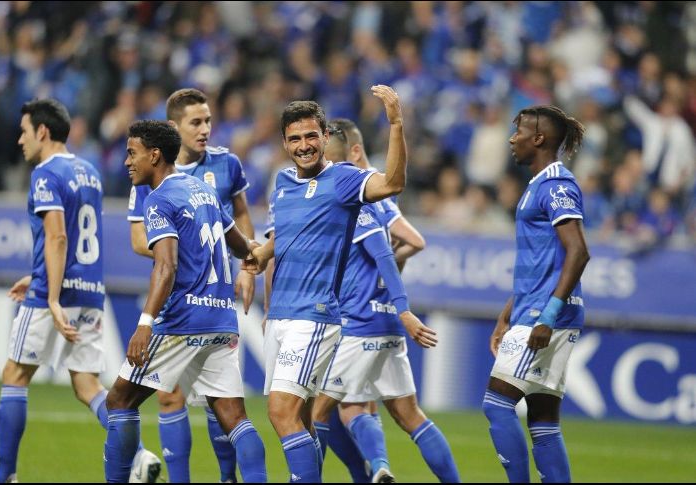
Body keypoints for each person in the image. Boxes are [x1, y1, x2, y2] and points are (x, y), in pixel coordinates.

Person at [243, 85, 407, 483]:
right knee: (302, 418)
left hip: (313, 315)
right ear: (284, 143)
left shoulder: (344, 179)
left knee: (281, 411)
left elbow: (392, 183)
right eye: (295, 139)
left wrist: (396, 124)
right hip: (281, 315)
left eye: (311, 136)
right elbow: (284, 237)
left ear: (324, 136)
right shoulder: (283, 183)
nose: (304, 146)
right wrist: (259, 258)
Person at [0, 99, 159, 483]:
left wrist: (51, 296)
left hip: (53, 294)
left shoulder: (44, 173)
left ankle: (4, 477)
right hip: (89, 291)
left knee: (14, 375)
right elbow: (78, 235)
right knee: (87, 384)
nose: (20, 140)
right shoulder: (89, 172)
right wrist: (35, 272)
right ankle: (138, 455)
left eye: (24, 131)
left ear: (42, 131)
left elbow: (58, 236)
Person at [104, 120, 266, 483]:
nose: (127, 162)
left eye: (132, 153)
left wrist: (145, 323)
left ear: (154, 155)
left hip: (182, 320)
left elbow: (166, 265)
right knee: (235, 418)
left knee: (119, 401)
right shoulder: (203, 191)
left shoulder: (158, 199)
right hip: (221, 320)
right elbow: (239, 243)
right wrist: (258, 252)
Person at [311, 118, 459, 483]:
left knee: (319, 411)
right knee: (409, 414)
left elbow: (383, 253)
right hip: (385, 321)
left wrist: (404, 308)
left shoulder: (355, 203)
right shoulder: (377, 201)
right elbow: (399, 249)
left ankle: (359, 470)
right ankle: (383, 469)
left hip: (360, 322)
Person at [484, 105, 589, 483]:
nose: (512, 139)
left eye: (519, 132)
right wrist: (507, 314)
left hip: (544, 317)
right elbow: (543, 261)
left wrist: (547, 315)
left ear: (539, 138)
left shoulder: (557, 186)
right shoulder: (538, 184)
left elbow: (578, 251)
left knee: (497, 404)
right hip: (534, 310)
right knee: (543, 420)